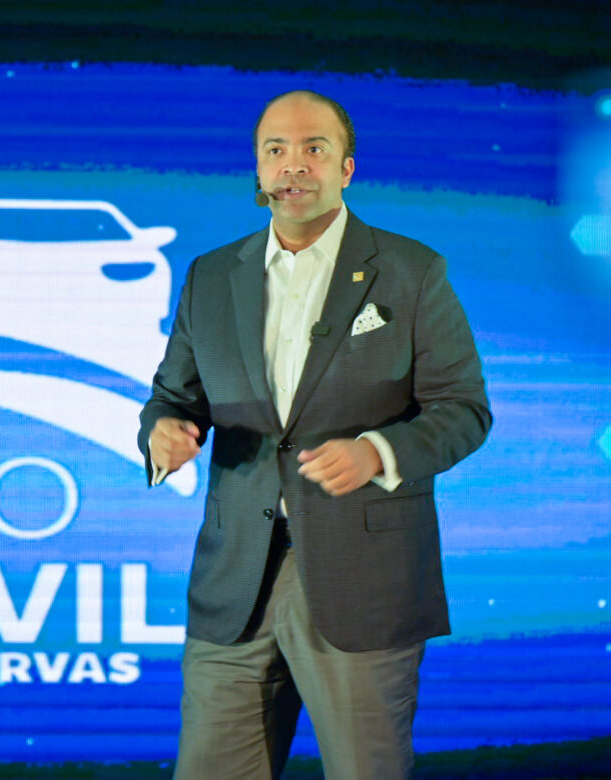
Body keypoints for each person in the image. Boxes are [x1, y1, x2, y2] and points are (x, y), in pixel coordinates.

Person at [138, 90, 491, 779]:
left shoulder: (412, 271)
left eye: (313, 149)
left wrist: (377, 453)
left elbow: (463, 409)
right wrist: (163, 432)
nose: (292, 164)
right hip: (235, 578)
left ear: (346, 168)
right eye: (276, 149)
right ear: (258, 167)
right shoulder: (211, 276)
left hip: (365, 580)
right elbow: (174, 397)